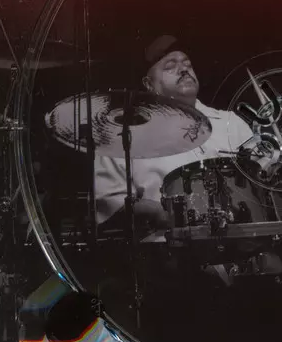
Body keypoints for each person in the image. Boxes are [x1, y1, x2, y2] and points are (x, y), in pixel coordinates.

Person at [94, 35, 254, 232]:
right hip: (165, 245)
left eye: (188, 64)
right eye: (170, 66)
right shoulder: (121, 138)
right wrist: (157, 213)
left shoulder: (232, 123)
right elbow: (109, 203)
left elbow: (266, 177)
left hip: (244, 242)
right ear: (149, 84)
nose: (184, 69)